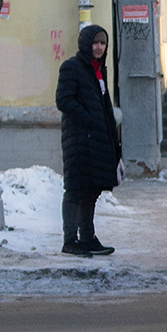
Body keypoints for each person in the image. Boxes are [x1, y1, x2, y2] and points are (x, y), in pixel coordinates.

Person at [55, 24, 121, 257]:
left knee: (91, 190)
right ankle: (70, 240)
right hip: (79, 140)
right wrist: (89, 119)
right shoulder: (72, 67)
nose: (99, 47)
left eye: (103, 43)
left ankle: (87, 237)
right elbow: (63, 100)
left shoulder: (99, 71)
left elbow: (104, 109)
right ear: (85, 44)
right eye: (95, 43)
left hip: (97, 142)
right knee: (75, 190)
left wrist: (114, 142)